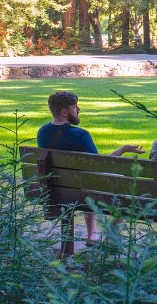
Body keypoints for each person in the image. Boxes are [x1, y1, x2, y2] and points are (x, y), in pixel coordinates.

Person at [37, 91, 144, 245]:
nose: (79, 109)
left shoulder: (42, 132)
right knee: (127, 184)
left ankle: (92, 235)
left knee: (87, 180)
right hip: (82, 189)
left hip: (56, 189)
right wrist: (123, 149)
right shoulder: (80, 135)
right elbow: (100, 164)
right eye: (75, 106)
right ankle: (110, 234)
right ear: (64, 112)